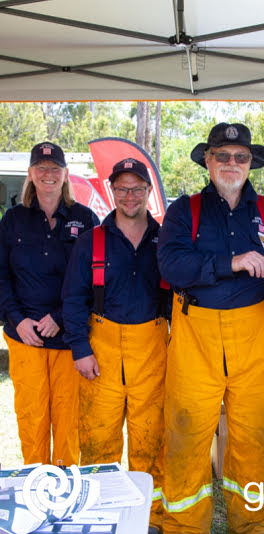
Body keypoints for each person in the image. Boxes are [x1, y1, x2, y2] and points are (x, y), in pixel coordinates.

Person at [157, 123, 264, 534]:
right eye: (223, 155)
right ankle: (183, 525)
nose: (231, 163)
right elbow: (170, 266)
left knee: (258, 435)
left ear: (251, 164)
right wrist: (230, 262)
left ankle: (252, 524)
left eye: (241, 157)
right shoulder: (186, 210)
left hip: (257, 337)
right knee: (186, 434)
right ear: (208, 160)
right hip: (195, 336)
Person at [62, 158, 168, 534]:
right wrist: (80, 349)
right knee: (98, 440)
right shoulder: (92, 239)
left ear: (149, 192)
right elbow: (73, 297)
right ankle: (99, 518)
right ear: (112, 192)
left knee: (151, 440)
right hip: (101, 350)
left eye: (137, 188)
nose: (129, 196)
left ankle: (149, 519)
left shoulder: (165, 237)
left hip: (153, 349)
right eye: (122, 189)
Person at [0, 141, 98, 466]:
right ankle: (36, 490)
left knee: (69, 422)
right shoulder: (12, 220)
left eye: (55, 169)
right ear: (30, 173)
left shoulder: (85, 220)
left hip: (69, 339)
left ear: (65, 174)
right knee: (32, 419)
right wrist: (17, 320)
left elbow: (94, 281)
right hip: (24, 337)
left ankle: (66, 493)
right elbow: (1, 277)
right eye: (41, 168)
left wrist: (60, 317)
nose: (48, 174)